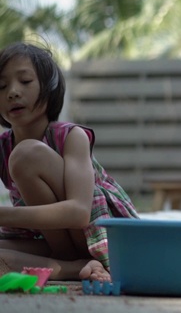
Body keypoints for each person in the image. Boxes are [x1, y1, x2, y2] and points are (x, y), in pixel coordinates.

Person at [0, 42, 139, 282]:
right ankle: (75, 269)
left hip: (101, 239)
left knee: (27, 155)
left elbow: (79, 213)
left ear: (50, 88)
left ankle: (82, 263)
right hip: (56, 247)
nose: (12, 91)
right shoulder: (3, 147)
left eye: (25, 81)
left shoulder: (71, 137)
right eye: (1, 86)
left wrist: (3, 216)